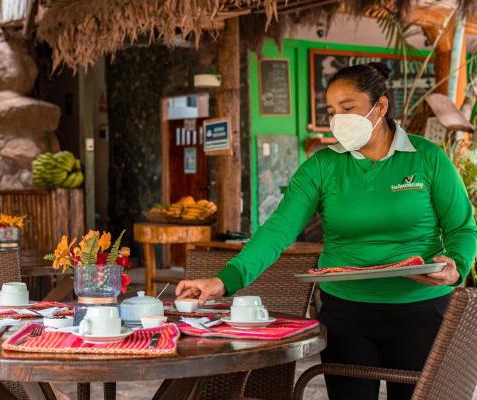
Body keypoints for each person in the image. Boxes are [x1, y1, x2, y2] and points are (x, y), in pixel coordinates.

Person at [175, 63, 477, 400]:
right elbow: (277, 230)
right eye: (332, 111)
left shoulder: (428, 158)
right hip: (346, 314)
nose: (338, 120)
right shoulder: (322, 166)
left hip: (423, 311)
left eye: (348, 109)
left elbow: (462, 228)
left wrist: (455, 267)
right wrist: (222, 281)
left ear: (380, 106)